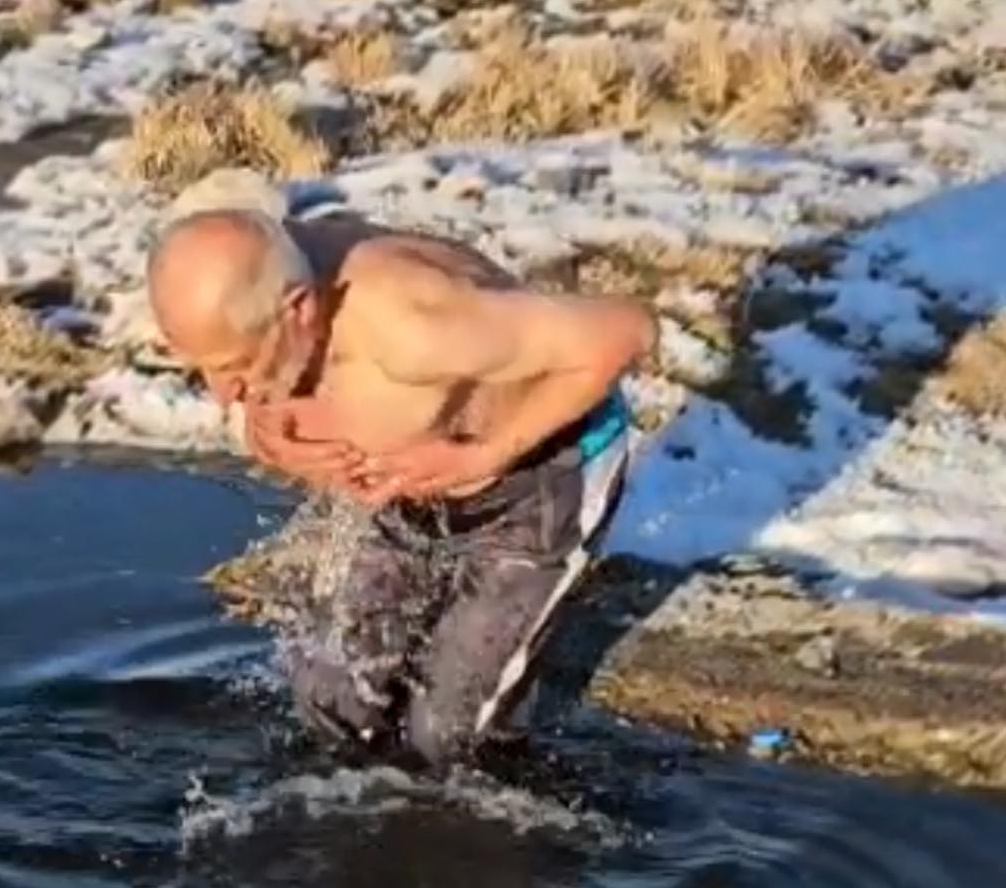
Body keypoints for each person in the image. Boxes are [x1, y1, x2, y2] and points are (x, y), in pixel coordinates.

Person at [146, 171, 653, 767]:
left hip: (538, 480)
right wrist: (267, 435)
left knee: (446, 737)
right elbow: (264, 375)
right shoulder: (258, 269)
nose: (222, 395)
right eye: (204, 369)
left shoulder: (418, 322)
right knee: (331, 701)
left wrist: (485, 452)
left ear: (299, 309)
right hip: (410, 493)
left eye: (235, 368)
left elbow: (630, 330)